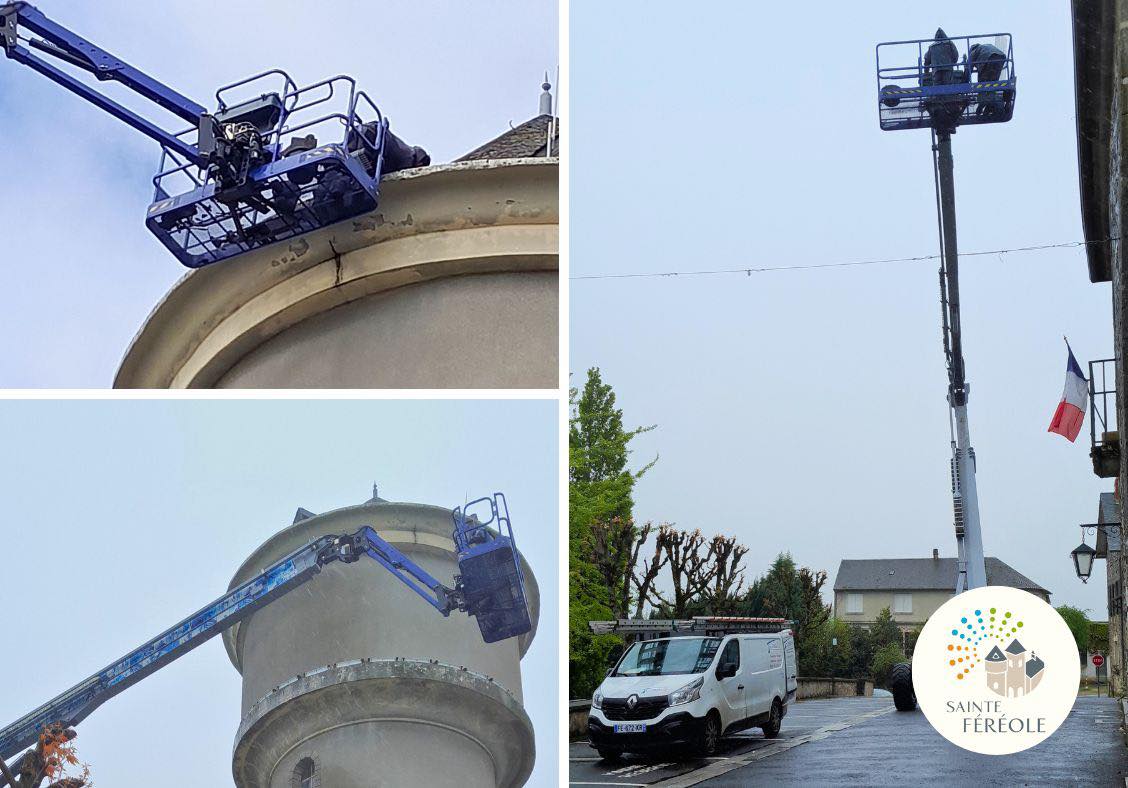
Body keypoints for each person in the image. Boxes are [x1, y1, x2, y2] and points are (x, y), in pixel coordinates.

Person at [969, 42, 1008, 117]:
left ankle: (981, 105)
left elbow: (968, 68)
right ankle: (990, 104)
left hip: (988, 59)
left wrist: (964, 81)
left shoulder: (974, 52)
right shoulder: (985, 46)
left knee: (981, 85)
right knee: (992, 84)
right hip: (1001, 58)